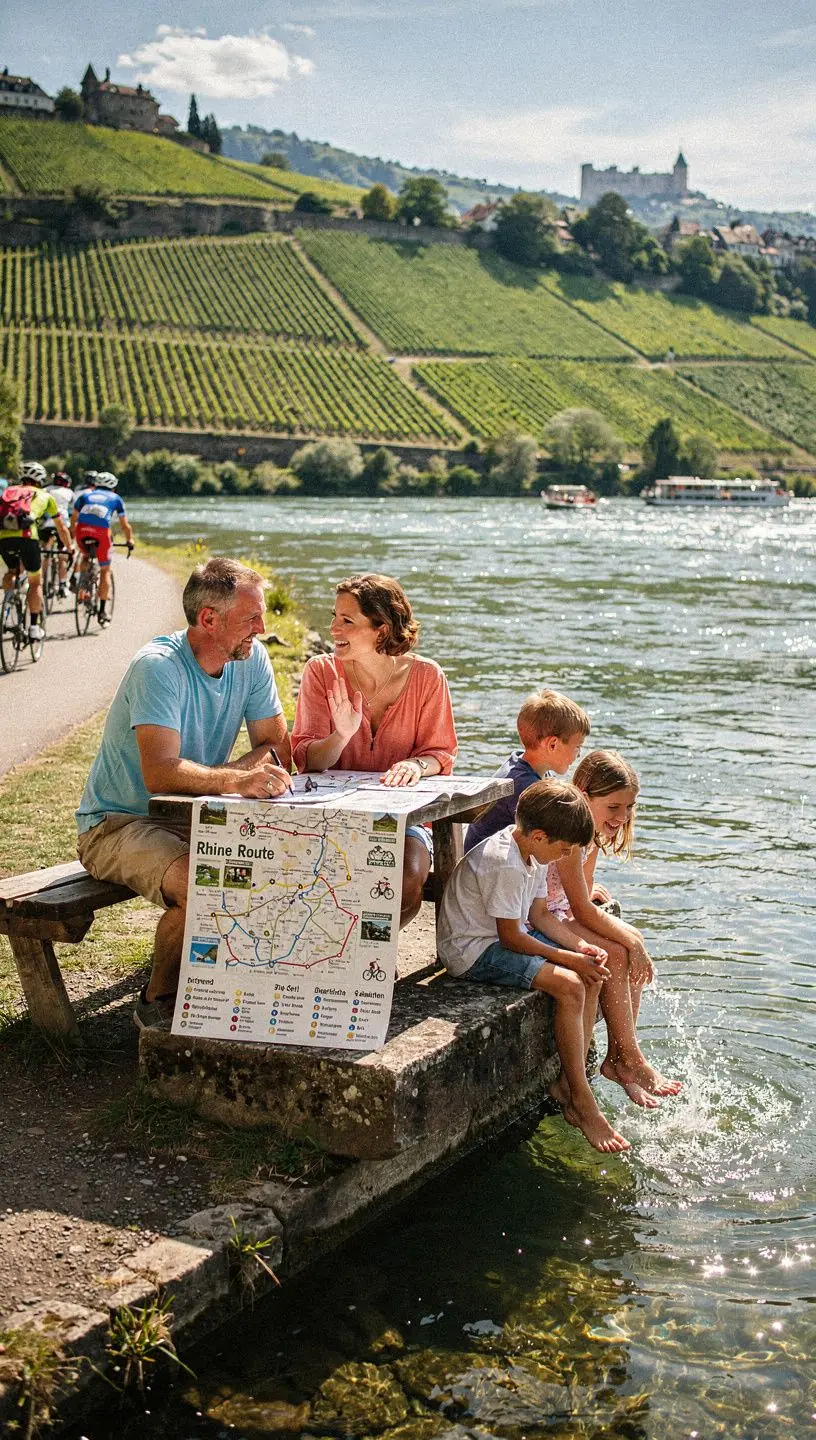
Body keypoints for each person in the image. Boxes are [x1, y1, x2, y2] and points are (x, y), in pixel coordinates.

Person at [76, 558, 293, 1029]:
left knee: (285, 867)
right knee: (206, 885)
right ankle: (157, 1001)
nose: (261, 628)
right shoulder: (158, 668)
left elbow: (278, 747)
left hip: (194, 813)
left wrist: (231, 777)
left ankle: (251, 989)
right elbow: (160, 773)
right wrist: (235, 779)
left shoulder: (251, 658)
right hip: (119, 823)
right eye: (251, 618)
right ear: (209, 619)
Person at [437, 778, 629, 1154]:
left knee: (590, 975)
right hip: (473, 950)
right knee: (570, 984)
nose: (565, 856)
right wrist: (567, 958)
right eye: (564, 849)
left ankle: (570, 1083)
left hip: (504, 937)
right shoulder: (505, 863)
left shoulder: (536, 853)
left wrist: (581, 947)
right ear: (540, 836)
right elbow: (511, 938)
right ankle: (581, 1098)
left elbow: (539, 915)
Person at [291, 572, 457, 928]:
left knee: (407, 877)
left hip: (405, 820)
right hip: (331, 817)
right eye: (334, 617)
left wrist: (416, 765)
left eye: (347, 621)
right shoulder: (320, 672)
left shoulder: (428, 677)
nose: (333, 628)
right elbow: (306, 760)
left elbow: (440, 753)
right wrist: (340, 736)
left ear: (381, 630)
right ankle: (352, 947)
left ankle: (363, 945)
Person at [544, 750, 682, 1107]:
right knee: (620, 952)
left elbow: (581, 893)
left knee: (630, 946)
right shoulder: (573, 833)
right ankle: (627, 1060)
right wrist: (633, 944)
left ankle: (622, 1057)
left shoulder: (591, 834)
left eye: (629, 807)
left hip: (561, 909)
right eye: (613, 807)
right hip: (541, 917)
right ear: (584, 795)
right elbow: (581, 910)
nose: (622, 817)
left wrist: (633, 941)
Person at [464, 688, 591, 852]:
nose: (579, 754)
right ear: (553, 744)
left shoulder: (523, 764)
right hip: (489, 865)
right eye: (577, 747)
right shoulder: (524, 786)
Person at [0, 461, 73, 640]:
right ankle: (33, 628)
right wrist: (69, 548)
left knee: (11, 572)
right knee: (35, 582)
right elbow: (61, 527)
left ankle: (6, 612)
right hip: (27, 539)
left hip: (4, 539)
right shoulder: (45, 495)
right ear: (40, 479)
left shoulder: (8, 491)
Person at [71, 470, 134, 626]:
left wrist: (73, 535)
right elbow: (125, 525)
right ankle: (102, 611)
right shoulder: (116, 498)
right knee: (105, 570)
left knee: (85, 556)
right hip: (101, 533)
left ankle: (83, 589)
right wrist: (130, 540)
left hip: (81, 531)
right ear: (113, 487)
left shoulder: (84, 496)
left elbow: (74, 519)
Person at [43, 471, 77, 598]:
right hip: (62, 524)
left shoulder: (45, 490)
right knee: (63, 554)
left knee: (45, 552)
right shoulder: (69, 492)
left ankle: (41, 581)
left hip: (46, 525)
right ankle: (62, 584)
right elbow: (76, 508)